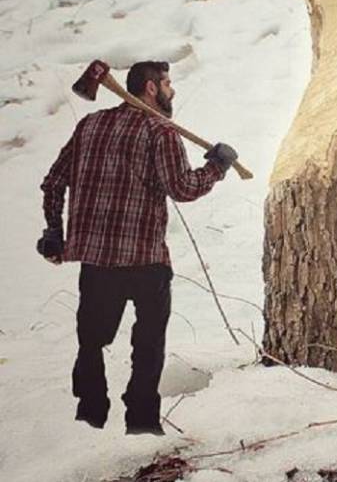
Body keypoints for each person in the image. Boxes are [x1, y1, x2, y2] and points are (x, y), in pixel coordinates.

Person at [38, 61, 237, 435]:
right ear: (150, 88)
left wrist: (54, 229)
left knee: (91, 340)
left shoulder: (90, 126)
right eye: (167, 83)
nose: (172, 91)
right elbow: (182, 189)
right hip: (145, 259)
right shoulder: (161, 132)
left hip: (96, 260)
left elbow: (53, 182)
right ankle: (142, 422)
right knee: (148, 344)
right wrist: (217, 167)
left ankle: (90, 414)